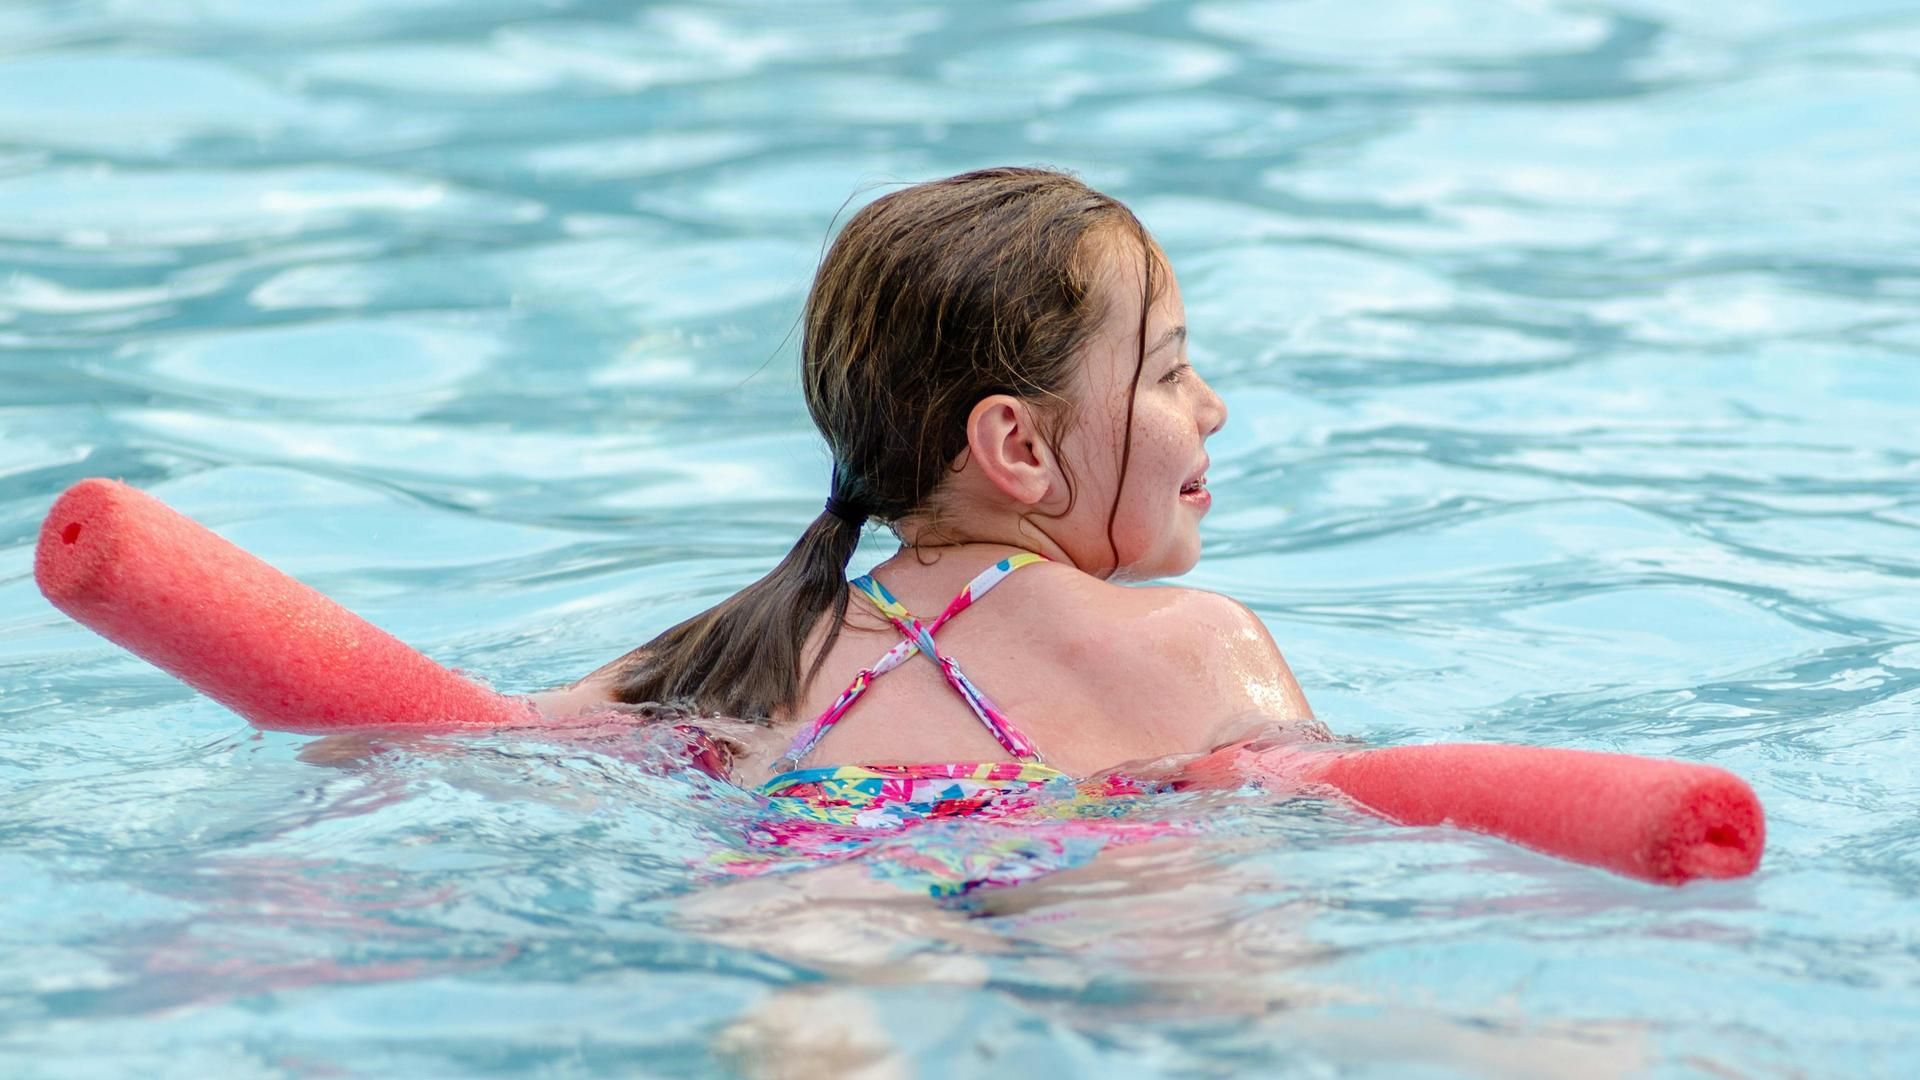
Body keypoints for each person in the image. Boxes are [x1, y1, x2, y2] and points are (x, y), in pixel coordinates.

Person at [533, 166, 1320, 835]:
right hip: (1064, 864)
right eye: (1168, 374)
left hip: (796, 851)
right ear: (1019, 448)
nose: (1211, 406)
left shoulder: (728, 653)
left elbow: (481, 731)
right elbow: (1343, 799)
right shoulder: (1196, 642)